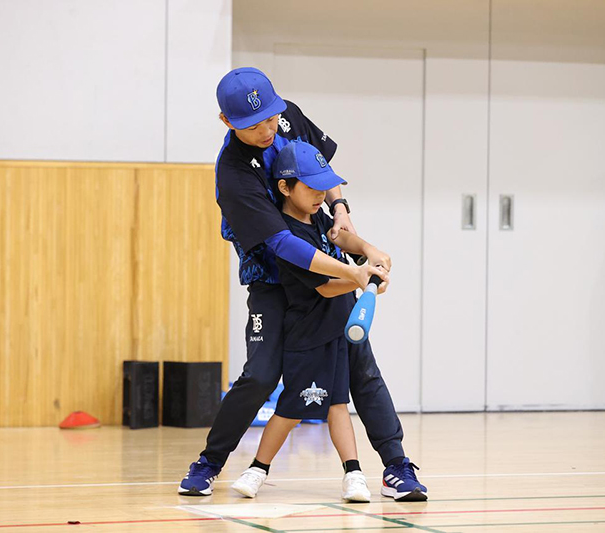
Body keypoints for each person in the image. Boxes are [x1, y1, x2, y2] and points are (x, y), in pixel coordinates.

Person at [178, 67, 428, 501]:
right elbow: (281, 243)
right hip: (275, 281)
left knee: (361, 368)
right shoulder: (233, 174)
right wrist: (353, 273)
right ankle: (210, 462)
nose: (267, 130)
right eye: (253, 126)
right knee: (260, 376)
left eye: (271, 119)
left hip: (326, 267)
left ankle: (396, 467)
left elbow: (322, 169)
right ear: (226, 122)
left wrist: (342, 210)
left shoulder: (287, 116)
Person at [232, 140, 381, 502]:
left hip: (337, 329)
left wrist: (370, 253)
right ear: (285, 187)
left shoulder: (318, 218)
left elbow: (343, 237)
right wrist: (362, 278)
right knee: (293, 408)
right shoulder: (286, 237)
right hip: (307, 333)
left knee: (338, 404)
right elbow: (326, 287)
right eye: (312, 188)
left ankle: (353, 474)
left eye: (323, 189)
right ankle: (257, 469)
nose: (320, 196)